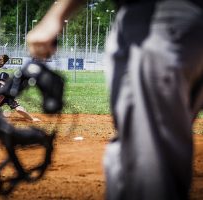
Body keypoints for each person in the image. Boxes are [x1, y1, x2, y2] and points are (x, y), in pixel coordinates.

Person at [27, 0, 203, 199]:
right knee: (159, 148)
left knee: (149, 168)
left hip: (155, 24)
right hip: (189, 25)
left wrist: (54, 17)